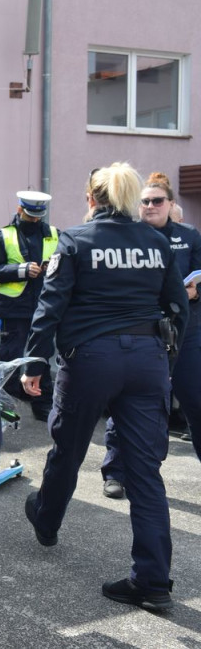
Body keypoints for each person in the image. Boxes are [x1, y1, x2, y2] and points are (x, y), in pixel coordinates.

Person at [21, 163, 188, 612]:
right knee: (145, 472)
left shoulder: (75, 241)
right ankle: (153, 582)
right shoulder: (157, 242)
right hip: (146, 359)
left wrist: (35, 361)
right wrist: (165, 362)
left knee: (69, 448)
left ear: (92, 199)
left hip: (91, 359)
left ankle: (47, 519)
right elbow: (177, 307)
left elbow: (49, 305)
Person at [99, 171, 201, 498]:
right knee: (124, 401)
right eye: (144, 201)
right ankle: (115, 471)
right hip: (142, 332)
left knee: (196, 402)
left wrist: (193, 293)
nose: (150, 206)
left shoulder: (189, 236)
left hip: (186, 332)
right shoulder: (128, 236)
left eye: (157, 201)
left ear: (171, 204)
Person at [0, 191, 59, 421]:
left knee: (41, 356)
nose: (35, 220)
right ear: (20, 210)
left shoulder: (54, 234)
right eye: (30, 215)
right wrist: (21, 270)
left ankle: (43, 405)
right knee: (10, 356)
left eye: (38, 216)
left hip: (45, 305)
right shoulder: (4, 235)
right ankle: (4, 404)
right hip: (15, 307)